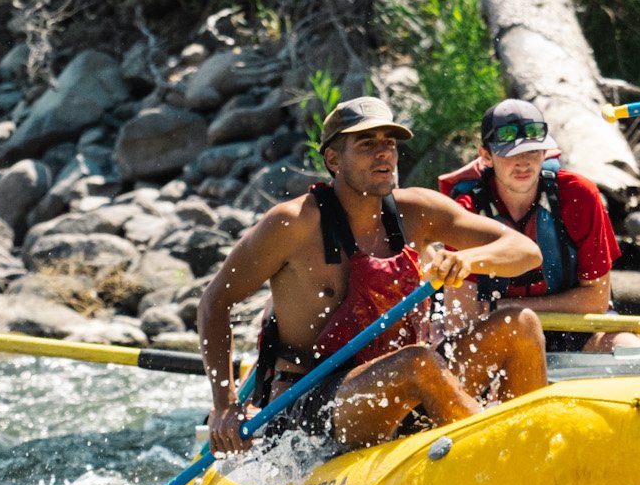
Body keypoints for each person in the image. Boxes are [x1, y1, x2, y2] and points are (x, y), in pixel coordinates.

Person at [198, 96, 548, 455]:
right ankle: (493, 451)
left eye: (390, 144)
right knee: (418, 363)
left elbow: (526, 252)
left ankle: (532, 449)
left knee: (519, 325)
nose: (384, 154)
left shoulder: (418, 211)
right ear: (333, 160)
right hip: (309, 403)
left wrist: (471, 260)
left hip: (406, 383)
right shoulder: (293, 224)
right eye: (367, 145)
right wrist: (224, 403)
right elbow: (214, 301)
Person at [436, 98, 640, 356]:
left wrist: (506, 305)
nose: (524, 162)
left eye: (533, 151)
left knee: (629, 347)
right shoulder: (466, 210)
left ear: (545, 153)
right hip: (502, 331)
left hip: (577, 326)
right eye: (510, 152)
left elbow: (596, 299)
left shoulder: (579, 195)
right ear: (486, 156)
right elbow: (463, 316)